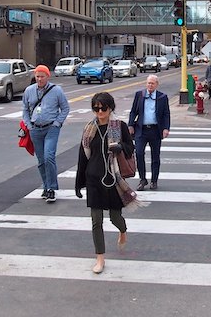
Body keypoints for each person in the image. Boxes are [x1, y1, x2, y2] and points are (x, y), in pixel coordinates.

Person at [75, 92, 134, 274]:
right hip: (93, 179)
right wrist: (79, 183)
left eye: (103, 108)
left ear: (110, 108)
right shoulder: (89, 129)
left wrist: (120, 147)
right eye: (96, 108)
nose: (99, 111)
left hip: (113, 179)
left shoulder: (119, 126)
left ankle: (122, 230)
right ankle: (100, 258)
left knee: (115, 218)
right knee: (96, 221)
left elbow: (131, 149)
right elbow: (82, 157)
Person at [21, 64, 70, 203]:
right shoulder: (29, 91)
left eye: (42, 76)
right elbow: (25, 109)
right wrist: (28, 125)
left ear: (48, 76)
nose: (39, 79)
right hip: (35, 129)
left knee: (49, 156)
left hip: (51, 128)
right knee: (41, 160)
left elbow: (65, 108)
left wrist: (57, 123)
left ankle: (51, 188)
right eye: (37, 76)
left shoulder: (56, 90)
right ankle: (46, 185)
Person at [128, 74, 171, 191]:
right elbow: (133, 111)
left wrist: (166, 128)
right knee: (139, 153)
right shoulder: (139, 95)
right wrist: (131, 125)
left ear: (157, 84)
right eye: (148, 83)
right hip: (141, 130)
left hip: (155, 130)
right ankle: (142, 179)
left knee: (155, 156)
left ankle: (154, 180)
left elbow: (166, 114)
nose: (150, 85)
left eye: (152, 83)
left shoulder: (162, 97)